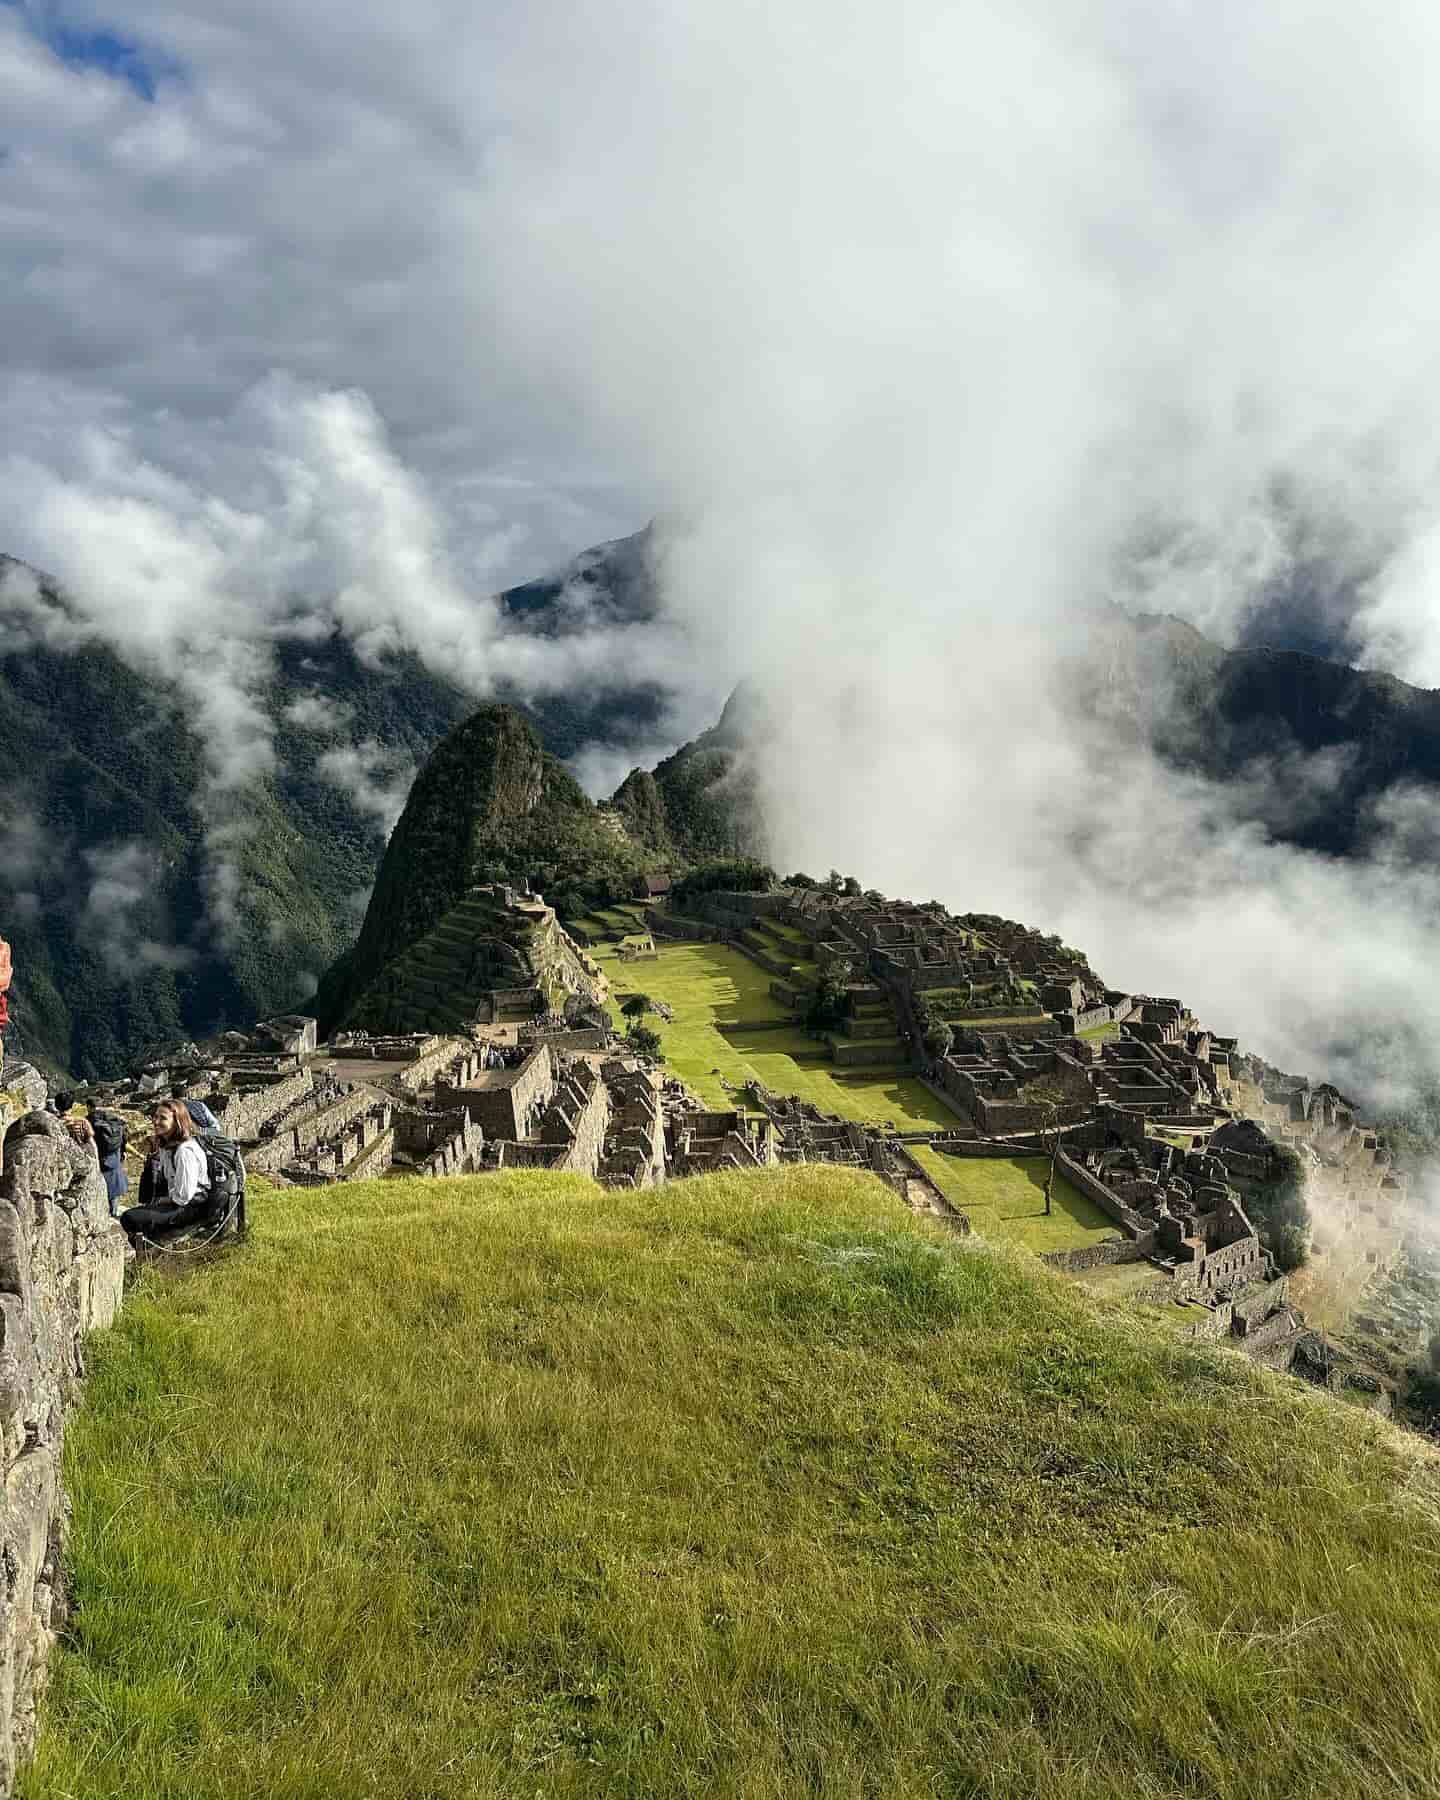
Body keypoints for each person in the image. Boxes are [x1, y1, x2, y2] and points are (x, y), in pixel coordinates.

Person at [120, 1101, 211, 1243]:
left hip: (191, 1206)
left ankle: (153, 1248)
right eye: (155, 1116)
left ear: (177, 1122)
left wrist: (163, 1200)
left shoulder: (184, 1151)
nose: (156, 1121)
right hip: (179, 1202)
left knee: (129, 1218)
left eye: (163, 1118)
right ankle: (152, 1245)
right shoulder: (167, 1148)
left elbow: (184, 1196)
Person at [87, 1101, 130, 1218]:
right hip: (114, 1162)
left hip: (99, 1163)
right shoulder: (113, 1123)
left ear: (89, 1107)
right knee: (113, 1196)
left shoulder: (90, 1123)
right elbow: (123, 1139)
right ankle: (113, 1215)